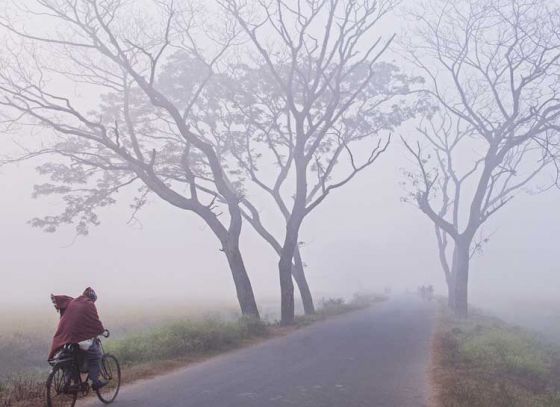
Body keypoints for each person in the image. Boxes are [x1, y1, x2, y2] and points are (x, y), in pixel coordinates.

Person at [49, 287, 108, 390]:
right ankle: (95, 382)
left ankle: (68, 382)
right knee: (96, 356)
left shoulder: (73, 302)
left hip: (66, 337)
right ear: (92, 298)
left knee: (69, 358)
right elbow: (95, 321)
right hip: (79, 337)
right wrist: (102, 331)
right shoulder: (89, 304)